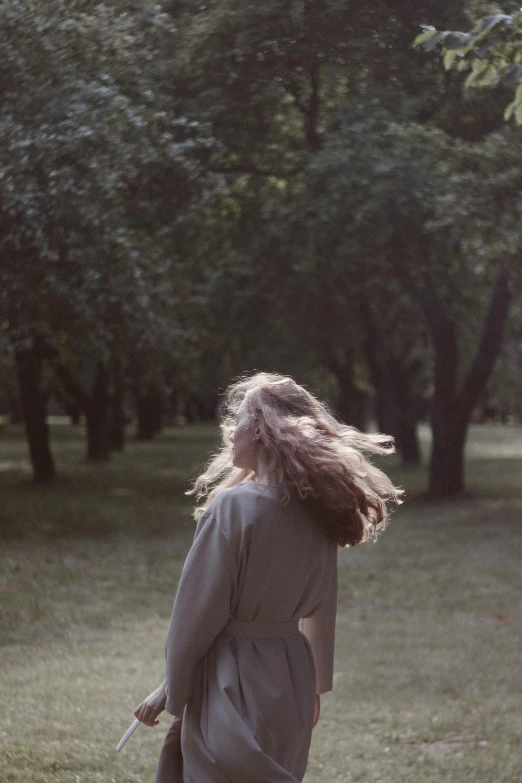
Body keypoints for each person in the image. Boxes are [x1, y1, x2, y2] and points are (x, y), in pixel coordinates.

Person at [133, 371, 404, 782]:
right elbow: (322, 610)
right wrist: (314, 686)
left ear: (260, 429)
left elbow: (196, 617)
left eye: (238, 419)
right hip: (290, 681)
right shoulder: (319, 513)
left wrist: (177, 688)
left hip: (230, 681)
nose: (229, 431)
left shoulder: (232, 509)